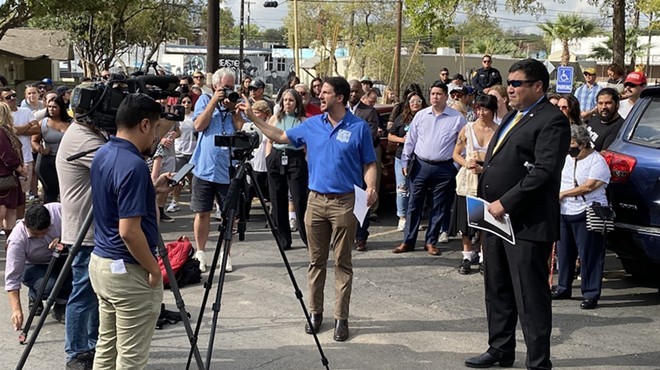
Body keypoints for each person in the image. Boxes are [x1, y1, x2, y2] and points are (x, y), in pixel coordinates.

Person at [240, 76, 377, 342]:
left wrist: (370, 187)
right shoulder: (312, 124)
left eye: (325, 93)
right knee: (316, 261)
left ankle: (341, 318)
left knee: (342, 263)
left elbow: (369, 164)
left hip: (346, 202)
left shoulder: (359, 128)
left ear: (339, 97)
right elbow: (279, 135)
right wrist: (254, 119)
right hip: (315, 202)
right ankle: (315, 313)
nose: (319, 97)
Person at [465, 59, 570, 370]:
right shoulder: (513, 116)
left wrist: (505, 202)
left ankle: (538, 361)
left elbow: (543, 172)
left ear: (537, 86)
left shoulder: (552, 120)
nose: (509, 88)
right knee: (496, 287)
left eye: (516, 83)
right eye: (508, 82)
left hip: (526, 222)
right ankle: (500, 348)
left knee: (530, 297)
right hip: (495, 220)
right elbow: (510, 159)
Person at [89, 93, 172, 370]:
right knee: (131, 358)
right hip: (127, 270)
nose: (156, 138)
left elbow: (115, 198)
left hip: (102, 262)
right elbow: (129, 231)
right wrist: (153, 268)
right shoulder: (134, 165)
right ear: (145, 125)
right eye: (157, 128)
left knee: (107, 348)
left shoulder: (104, 153)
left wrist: (151, 188)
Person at [56, 84, 106, 369]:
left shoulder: (88, 133)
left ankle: (92, 345)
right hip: (85, 231)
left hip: (91, 227)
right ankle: (76, 352)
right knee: (84, 294)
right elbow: (117, 165)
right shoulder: (84, 139)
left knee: (95, 293)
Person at [393, 81, 466, 255]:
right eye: (432, 94)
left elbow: (463, 144)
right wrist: (405, 161)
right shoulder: (421, 115)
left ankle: (431, 242)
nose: (435, 97)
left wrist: (455, 166)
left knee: (439, 206)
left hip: (444, 168)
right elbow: (411, 140)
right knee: (414, 204)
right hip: (420, 165)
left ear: (446, 96)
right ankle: (407, 241)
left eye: (439, 94)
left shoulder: (457, 118)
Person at [189, 68, 243, 273]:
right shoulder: (204, 100)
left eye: (231, 87)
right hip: (204, 167)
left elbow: (239, 128)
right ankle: (200, 253)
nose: (228, 91)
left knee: (230, 215)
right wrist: (214, 102)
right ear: (215, 86)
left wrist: (233, 109)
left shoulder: (234, 104)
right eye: (224, 87)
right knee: (202, 212)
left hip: (228, 169)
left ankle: (225, 254)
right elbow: (199, 125)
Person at [554, 124, 610, 310]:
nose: (569, 147)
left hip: (587, 210)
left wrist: (563, 194)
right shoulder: (567, 159)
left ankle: (591, 293)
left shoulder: (597, 161)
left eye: (572, 143)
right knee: (564, 252)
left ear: (583, 143)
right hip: (565, 211)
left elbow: (589, 186)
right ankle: (563, 287)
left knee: (589, 255)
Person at [450, 94, 498, 275]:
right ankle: (466, 256)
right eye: (478, 109)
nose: (481, 113)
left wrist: (485, 168)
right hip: (469, 178)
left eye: (485, 109)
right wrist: (466, 163)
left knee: (485, 219)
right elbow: (456, 153)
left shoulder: (498, 130)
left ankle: (484, 257)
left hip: (488, 178)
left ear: (493, 111)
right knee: (467, 219)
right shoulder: (467, 129)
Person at [5, 203, 71, 329]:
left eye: (44, 232)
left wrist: (64, 239)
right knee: (49, 287)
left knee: (77, 271)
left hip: (60, 257)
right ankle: (35, 294)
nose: (41, 237)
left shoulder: (58, 212)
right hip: (32, 265)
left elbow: (77, 227)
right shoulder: (17, 239)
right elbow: (12, 277)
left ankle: (61, 303)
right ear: (25, 225)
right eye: (35, 235)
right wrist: (16, 309)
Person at [260, 89, 308, 250]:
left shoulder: (302, 120)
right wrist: (268, 159)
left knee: (300, 199)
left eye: (291, 100)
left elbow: (308, 145)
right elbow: (269, 141)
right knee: (277, 199)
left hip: (295, 158)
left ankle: (307, 237)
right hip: (276, 157)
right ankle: (283, 239)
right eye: (285, 100)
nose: (287, 103)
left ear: (297, 103)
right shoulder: (275, 118)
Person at [387, 91, 427, 231]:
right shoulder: (401, 118)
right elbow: (390, 136)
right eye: (412, 102)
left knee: (417, 189)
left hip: (421, 158)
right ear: (408, 104)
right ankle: (402, 217)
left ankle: (415, 217)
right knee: (402, 188)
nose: (415, 104)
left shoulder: (427, 117)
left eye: (418, 101)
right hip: (402, 157)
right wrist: (402, 140)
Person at [347, 79, 380, 251]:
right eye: (351, 91)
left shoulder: (369, 112)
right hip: (344, 165)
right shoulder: (339, 110)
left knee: (362, 201)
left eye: (356, 91)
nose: (353, 94)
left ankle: (361, 236)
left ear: (362, 93)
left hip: (361, 164)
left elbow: (370, 136)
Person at [1, 87, 40, 216]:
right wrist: (28, 125)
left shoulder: (25, 111)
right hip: (7, 165)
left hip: (26, 158)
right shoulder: (3, 116)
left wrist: (16, 129)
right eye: (8, 97)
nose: (12, 98)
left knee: (22, 195)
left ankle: (20, 221)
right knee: (6, 198)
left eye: (14, 95)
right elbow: (9, 131)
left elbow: (37, 130)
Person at [31, 96, 71, 203]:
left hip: (65, 160)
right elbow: (34, 141)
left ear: (61, 108)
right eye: (49, 107)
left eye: (55, 107)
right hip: (47, 161)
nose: (51, 109)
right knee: (50, 191)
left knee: (66, 191)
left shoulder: (71, 123)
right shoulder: (43, 123)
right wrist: (40, 149)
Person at [0, 102, 26, 239]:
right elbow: (7, 155)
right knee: (6, 211)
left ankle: (10, 240)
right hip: (4, 175)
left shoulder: (4, 131)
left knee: (9, 210)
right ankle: (10, 240)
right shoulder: (2, 132)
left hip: (6, 174)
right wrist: (20, 168)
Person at [168, 94, 197, 213]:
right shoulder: (176, 117)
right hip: (180, 151)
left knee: (194, 180)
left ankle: (196, 202)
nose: (186, 104)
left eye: (189, 102)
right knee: (178, 179)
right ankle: (174, 202)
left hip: (193, 152)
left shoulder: (195, 116)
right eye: (184, 102)